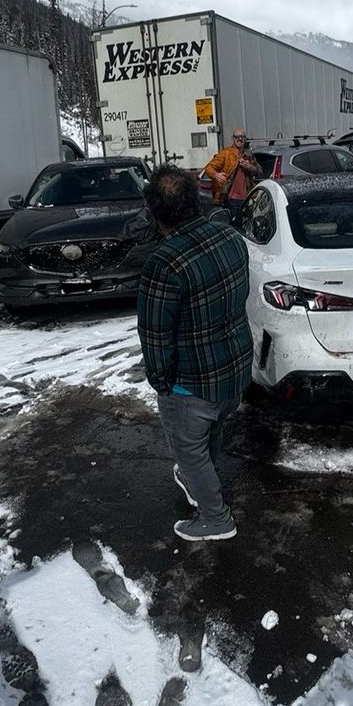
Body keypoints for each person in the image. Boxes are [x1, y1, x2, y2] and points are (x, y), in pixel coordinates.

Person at [136, 165, 253, 542]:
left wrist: (162, 383)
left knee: (190, 450)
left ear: (155, 212)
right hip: (234, 371)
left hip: (192, 384)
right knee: (211, 432)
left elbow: (154, 338)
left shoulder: (163, 264)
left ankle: (216, 518)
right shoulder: (230, 237)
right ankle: (196, 480)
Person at [203, 128, 261, 222]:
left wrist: (249, 166)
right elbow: (208, 168)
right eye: (237, 137)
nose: (240, 139)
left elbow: (259, 172)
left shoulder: (248, 155)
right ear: (233, 139)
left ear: (245, 139)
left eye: (242, 137)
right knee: (235, 227)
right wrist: (216, 175)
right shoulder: (226, 153)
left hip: (247, 199)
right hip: (231, 199)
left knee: (247, 228)